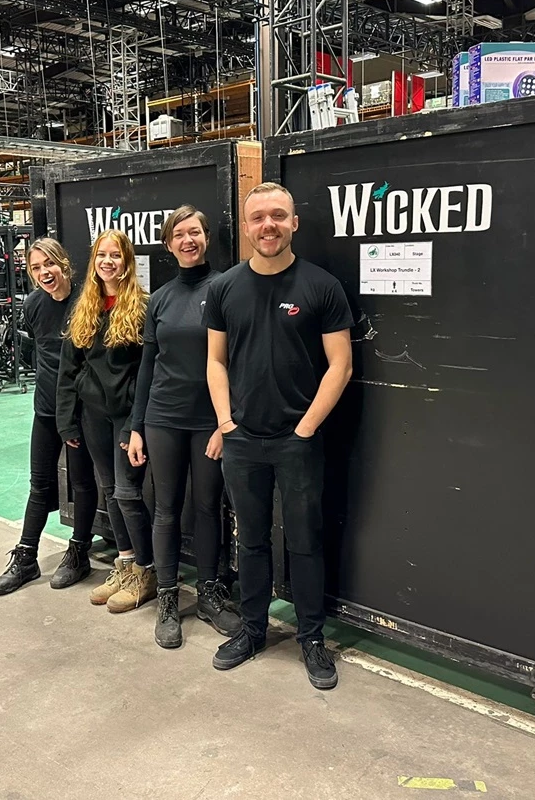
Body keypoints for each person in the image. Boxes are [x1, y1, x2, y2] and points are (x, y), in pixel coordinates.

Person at [203, 181, 354, 690]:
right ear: (246, 228)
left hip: (298, 442)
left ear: (294, 223)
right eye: (258, 217)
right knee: (251, 542)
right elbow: (215, 361)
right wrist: (226, 422)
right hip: (242, 440)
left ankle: (311, 637)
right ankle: (253, 630)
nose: (268, 225)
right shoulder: (224, 288)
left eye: (278, 216)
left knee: (306, 541)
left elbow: (340, 366)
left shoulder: (321, 286)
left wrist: (305, 427)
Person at [127, 206, 241, 649]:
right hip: (163, 418)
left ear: (206, 237)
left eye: (194, 232)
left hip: (210, 421)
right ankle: (168, 598)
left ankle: (209, 593)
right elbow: (147, 366)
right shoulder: (159, 299)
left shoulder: (227, 288)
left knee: (209, 507)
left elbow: (239, 362)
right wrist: (136, 426)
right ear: (168, 243)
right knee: (166, 508)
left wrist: (225, 422)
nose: (187, 240)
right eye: (178, 234)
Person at [0, 239, 99, 596]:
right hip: (46, 409)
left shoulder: (87, 301)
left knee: (82, 482)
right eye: (36, 268)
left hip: (80, 410)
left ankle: (79, 552)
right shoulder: (33, 304)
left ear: (63, 263)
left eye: (49, 264)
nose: (44, 272)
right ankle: (26, 557)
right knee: (39, 484)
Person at [56, 229, 156, 613]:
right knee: (110, 490)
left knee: (128, 494)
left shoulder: (142, 308)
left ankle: (146, 571)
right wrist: (67, 420)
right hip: (92, 415)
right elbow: (69, 369)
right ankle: (125, 564)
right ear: (93, 262)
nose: (107, 262)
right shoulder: (85, 307)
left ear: (127, 261)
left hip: (126, 416)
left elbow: (148, 372)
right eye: (101, 255)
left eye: (115, 255)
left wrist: (136, 424)